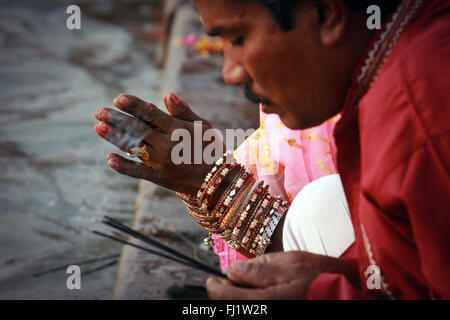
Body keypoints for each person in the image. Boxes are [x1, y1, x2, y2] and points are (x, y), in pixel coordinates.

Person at [94, 0, 450, 299]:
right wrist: (344, 275)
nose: (230, 73)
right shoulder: (397, 61)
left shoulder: (421, 113)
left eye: (238, 38)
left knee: (317, 207)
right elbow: (410, 274)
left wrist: (324, 294)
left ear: (327, 16)